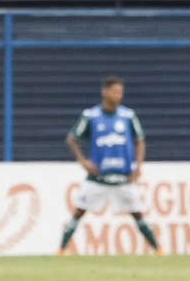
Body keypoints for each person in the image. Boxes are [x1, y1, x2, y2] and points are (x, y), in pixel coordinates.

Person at [59, 76, 161, 254]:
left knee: (138, 214)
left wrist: (138, 167)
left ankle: (159, 250)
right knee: (78, 212)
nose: (118, 96)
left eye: (120, 92)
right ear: (104, 92)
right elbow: (72, 138)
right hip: (98, 177)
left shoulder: (128, 116)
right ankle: (60, 251)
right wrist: (83, 161)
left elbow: (141, 140)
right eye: (115, 92)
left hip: (123, 177)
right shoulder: (90, 116)